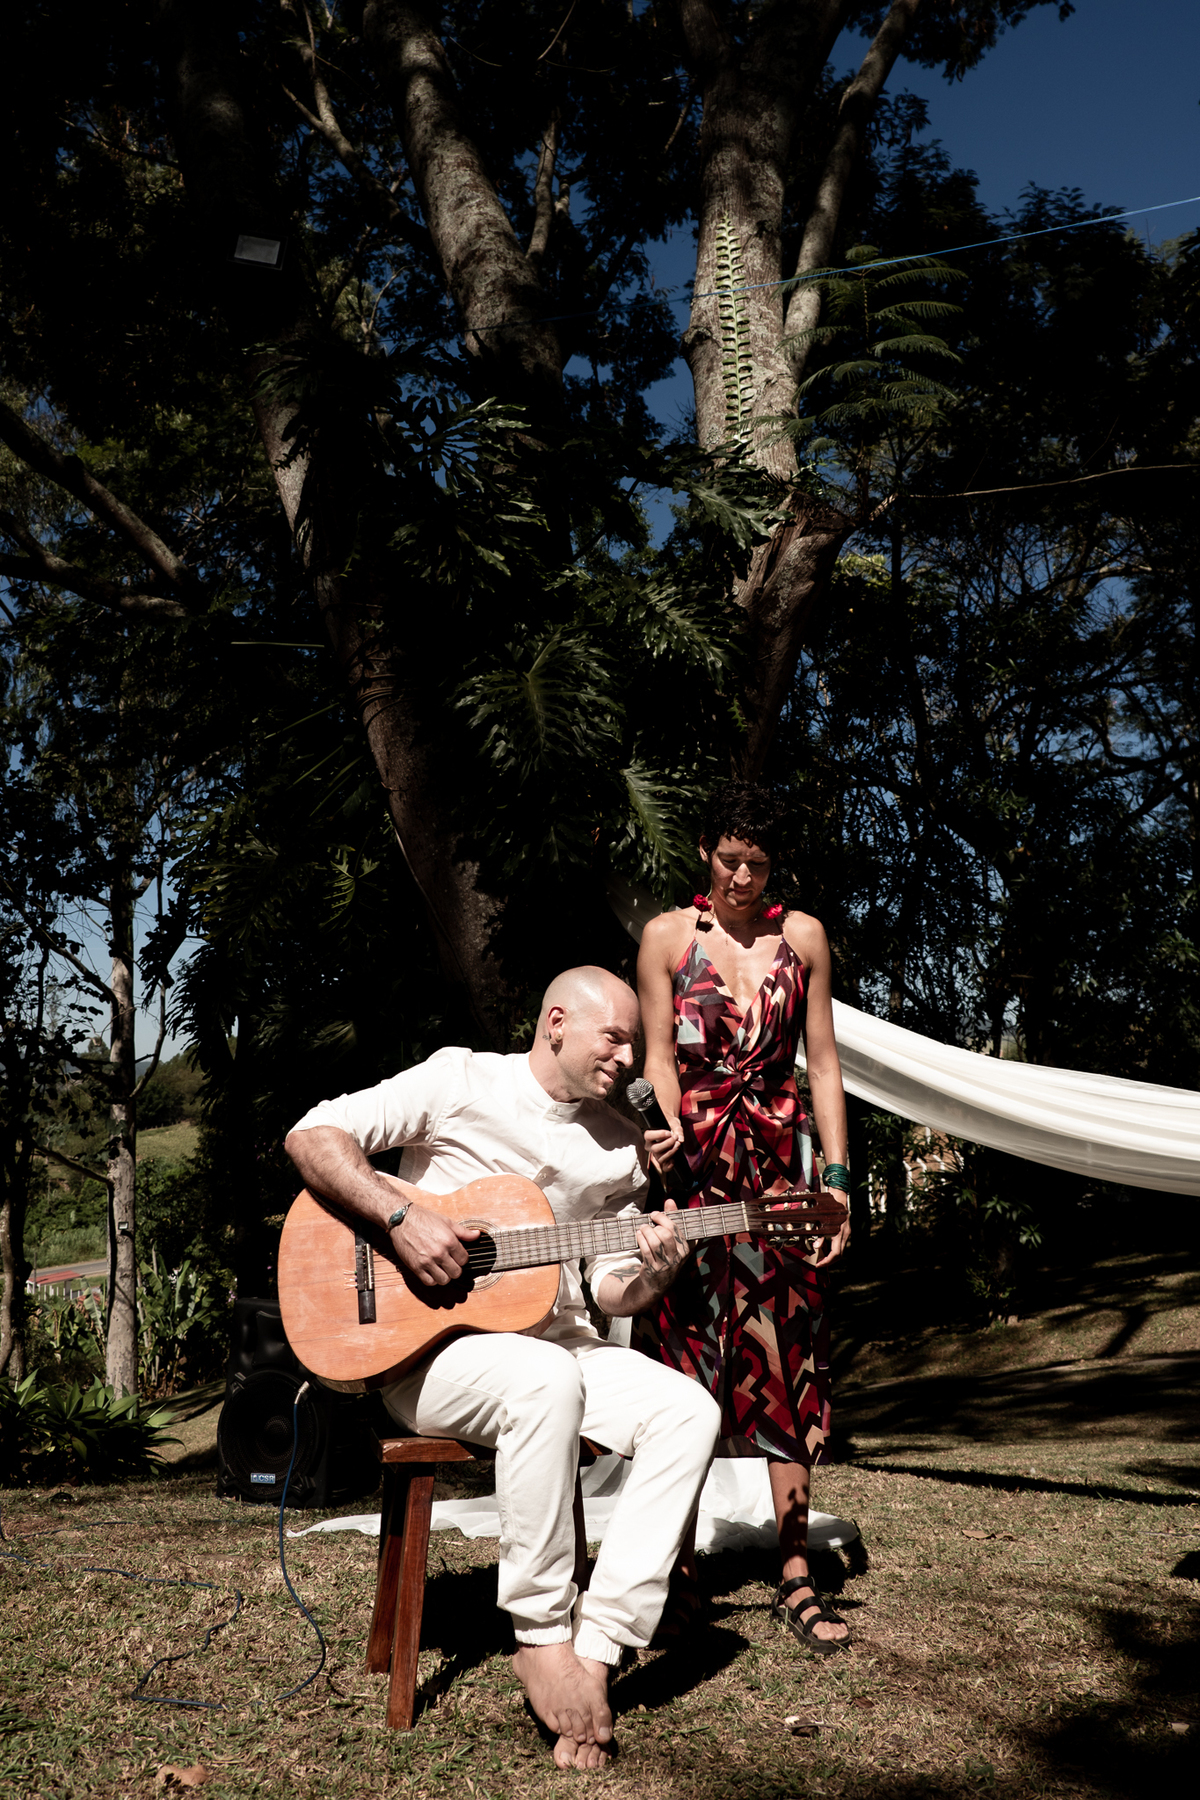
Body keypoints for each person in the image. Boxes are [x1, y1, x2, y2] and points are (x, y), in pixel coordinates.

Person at [283, 966, 720, 1770]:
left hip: (563, 1342)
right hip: (428, 1352)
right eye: (613, 1038)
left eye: (635, 1044)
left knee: (690, 1412)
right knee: (541, 1380)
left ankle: (598, 1648)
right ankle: (542, 1635)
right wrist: (403, 1217)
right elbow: (313, 1136)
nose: (628, 1059)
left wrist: (654, 1274)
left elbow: (608, 1285)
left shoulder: (620, 1142)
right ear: (556, 1023)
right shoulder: (459, 1082)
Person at [634, 782, 853, 1654]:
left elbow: (822, 1063)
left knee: (784, 1355)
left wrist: (836, 1178)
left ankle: (796, 1571)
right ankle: (681, 1572)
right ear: (704, 853)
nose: (740, 876)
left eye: (757, 864)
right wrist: (658, 1132)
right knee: (686, 1366)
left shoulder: (803, 938)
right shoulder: (665, 938)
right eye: (728, 859)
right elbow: (657, 1055)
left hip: (779, 1179)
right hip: (690, 1177)